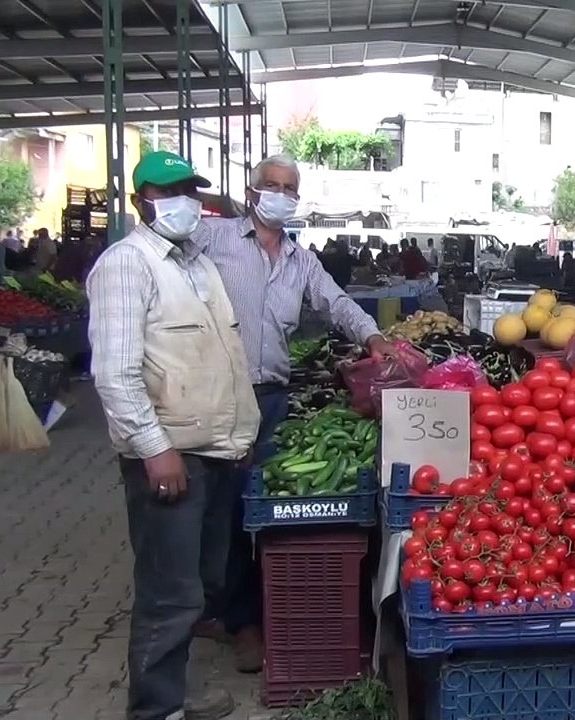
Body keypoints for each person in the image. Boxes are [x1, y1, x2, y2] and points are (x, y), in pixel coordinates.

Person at [190, 154, 392, 672]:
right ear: (253, 190)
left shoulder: (301, 262)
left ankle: (265, 606)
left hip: (272, 397)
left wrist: (372, 336)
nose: (279, 194)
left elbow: (337, 302)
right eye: (271, 186)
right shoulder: (213, 241)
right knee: (222, 507)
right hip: (217, 394)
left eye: (289, 188)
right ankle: (235, 618)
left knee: (264, 503)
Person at [87, 151, 260, 720]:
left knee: (201, 584)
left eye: (190, 189)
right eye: (170, 191)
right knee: (169, 594)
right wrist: (155, 449)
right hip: (169, 457)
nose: (186, 201)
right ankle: (156, 709)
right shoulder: (126, 264)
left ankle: (175, 695)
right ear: (142, 202)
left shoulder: (196, 264)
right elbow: (114, 373)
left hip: (213, 452)